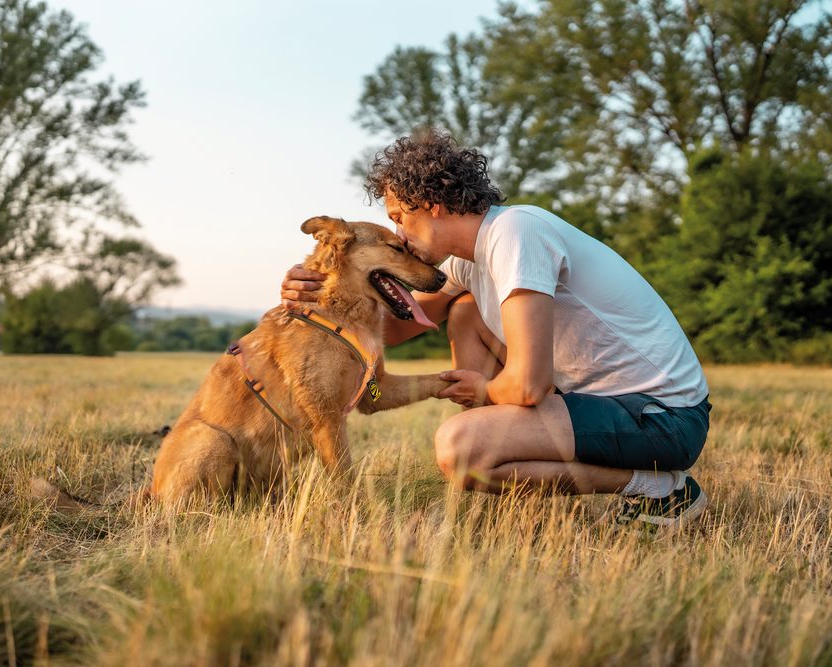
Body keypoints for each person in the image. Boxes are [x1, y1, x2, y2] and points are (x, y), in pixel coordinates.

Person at [281, 130, 711, 528]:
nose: (400, 236)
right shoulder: (469, 260)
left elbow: (527, 386)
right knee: (465, 310)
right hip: (606, 406)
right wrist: (317, 291)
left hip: (664, 418)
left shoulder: (516, 232)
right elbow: (390, 331)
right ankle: (510, 476)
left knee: (461, 450)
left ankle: (660, 489)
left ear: (430, 204)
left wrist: (483, 392)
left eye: (399, 217)